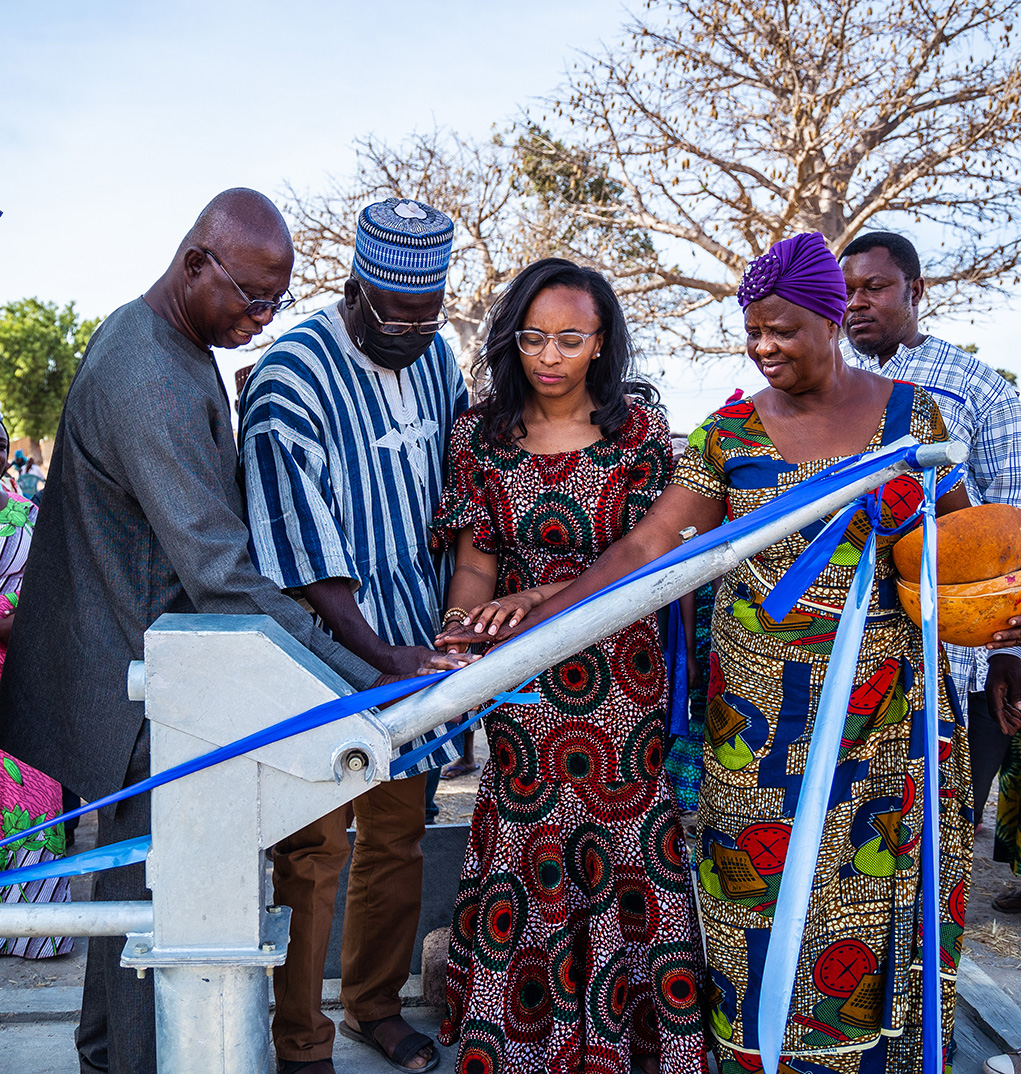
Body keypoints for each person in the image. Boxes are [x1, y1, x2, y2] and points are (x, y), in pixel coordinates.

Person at [459, 234, 975, 1072]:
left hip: (883, 717)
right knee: (757, 905)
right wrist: (543, 606)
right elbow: (646, 552)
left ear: (831, 316)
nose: (765, 348)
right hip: (757, 726)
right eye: (753, 333)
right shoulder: (727, 434)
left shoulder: (909, 418)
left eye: (783, 331)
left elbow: (962, 550)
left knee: (874, 896)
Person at [0, 188, 415, 1074]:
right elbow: (221, 573)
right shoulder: (148, 375)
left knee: (134, 906)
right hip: (134, 690)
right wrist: (362, 674)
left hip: (140, 670)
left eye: (277, 303)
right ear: (195, 264)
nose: (261, 322)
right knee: (162, 915)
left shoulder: (172, 343)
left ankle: (109, 1055)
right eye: (250, 299)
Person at [432, 258, 706, 1074]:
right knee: (530, 846)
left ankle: (625, 1044)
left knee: (627, 846)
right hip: (522, 684)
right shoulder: (478, 435)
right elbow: (479, 563)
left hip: (623, 684)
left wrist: (543, 594)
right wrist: (460, 627)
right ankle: (526, 1047)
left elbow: (649, 555)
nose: (548, 356)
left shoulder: (638, 434)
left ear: (600, 344)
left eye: (570, 338)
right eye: (532, 337)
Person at [238, 198, 469, 1074]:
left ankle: (374, 1005)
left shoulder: (438, 357)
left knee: (400, 837)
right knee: (312, 849)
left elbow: (454, 493)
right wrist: (382, 657)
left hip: (418, 647)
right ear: (355, 287)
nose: (411, 333)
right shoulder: (291, 373)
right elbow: (300, 550)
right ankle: (299, 1038)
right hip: (323, 653)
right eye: (393, 315)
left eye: (427, 316)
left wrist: (443, 642)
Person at [839, 231, 1021, 834]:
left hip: (961, 656)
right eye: (844, 292)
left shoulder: (979, 387)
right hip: (846, 653)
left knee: (939, 839)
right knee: (852, 829)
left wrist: (1010, 654)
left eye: (873, 287)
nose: (855, 303)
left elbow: (1011, 517)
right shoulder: (823, 386)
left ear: (916, 290)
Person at [0, 418, 73, 960]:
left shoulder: (24, 518)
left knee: (26, 800)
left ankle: (31, 933)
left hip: (20, 681)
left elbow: (44, 611)